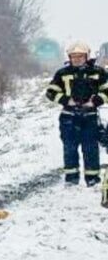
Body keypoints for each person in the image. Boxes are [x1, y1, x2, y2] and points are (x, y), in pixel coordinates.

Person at [45, 42, 108, 186]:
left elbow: (107, 91)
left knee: (91, 149)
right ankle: (71, 180)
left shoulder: (98, 72)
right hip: (69, 117)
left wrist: (96, 101)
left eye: (80, 56)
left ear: (87, 56)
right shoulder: (62, 73)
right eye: (74, 56)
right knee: (70, 148)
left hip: (90, 117)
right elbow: (50, 92)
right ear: (69, 57)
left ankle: (92, 179)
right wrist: (67, 100)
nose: (77, 59)